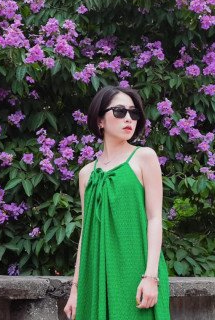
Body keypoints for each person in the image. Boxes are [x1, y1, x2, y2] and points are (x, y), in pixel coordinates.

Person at [63, 85, 171, 320]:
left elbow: (154, 218)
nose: (129, 118)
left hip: (136, 269)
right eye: (120, 111)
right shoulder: (86, 174)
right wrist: (75, 289)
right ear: (100, 120)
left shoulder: (144, 157)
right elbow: (86, 232)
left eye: (134, 113)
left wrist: (151, 276)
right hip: (96, 274)